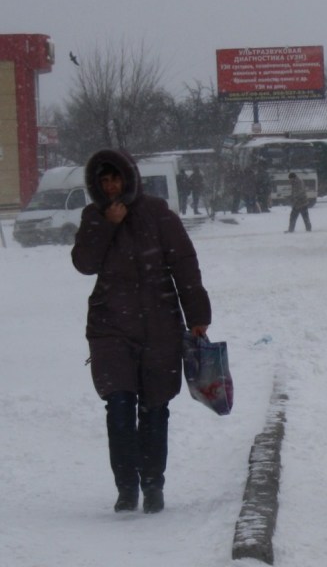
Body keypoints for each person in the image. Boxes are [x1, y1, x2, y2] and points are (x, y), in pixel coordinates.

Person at [71, 149, 212, 514]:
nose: (110, 186)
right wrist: (107, 224)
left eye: (115, 179)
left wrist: (197, 314)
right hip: (109, 327)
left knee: (154, 408)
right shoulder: (94, 216)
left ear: (128, 178)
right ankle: (126, 486)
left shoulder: (157, 214)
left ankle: (153, 484)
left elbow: (184, 264)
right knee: (118, 405)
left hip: (159, 326)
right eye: (103, 181)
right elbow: (84, 264)